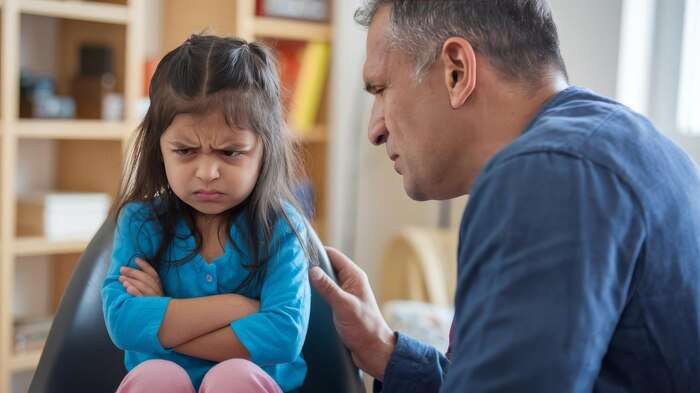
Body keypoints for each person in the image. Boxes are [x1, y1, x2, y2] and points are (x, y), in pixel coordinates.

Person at [309, 1, 700, 392]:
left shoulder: (549, 173)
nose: (374, 130)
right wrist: (386, 352)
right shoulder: (616, 147)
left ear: (457, 71)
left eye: (380, 89)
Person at [102, 34, 314, 393]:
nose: (207, 172)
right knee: (156, 378)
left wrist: (161, 315)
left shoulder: (281, 228)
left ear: (265, 150)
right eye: (185, 151)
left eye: (230, 153)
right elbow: (123, 322)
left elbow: (283, 334)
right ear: (159, 149)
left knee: (234, 377)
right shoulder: (140, 222)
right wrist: (238, 306)